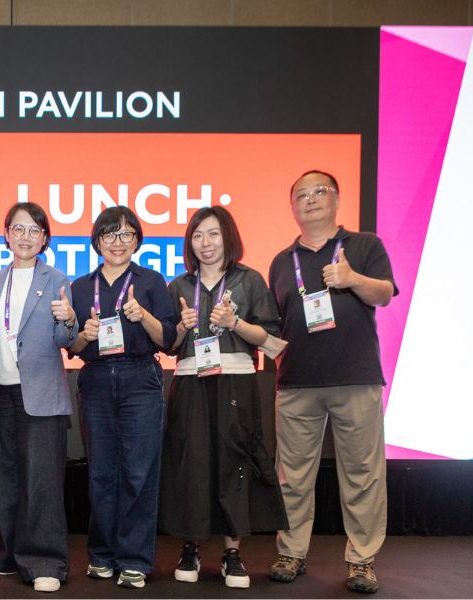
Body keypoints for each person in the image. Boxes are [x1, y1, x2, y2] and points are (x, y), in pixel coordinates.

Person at [268, 170, 397, 594]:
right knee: (291, 476)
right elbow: (277, 323)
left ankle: (362, 560)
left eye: (319, 191)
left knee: (362, 473)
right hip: (296, 381)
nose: (310, 200)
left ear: (337, 198)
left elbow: (384, 294)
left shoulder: (364, 245)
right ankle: (291, 552)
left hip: (355, 378)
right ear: (292, 207)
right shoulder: (281, 261)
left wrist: (352, 279)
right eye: (301, 195)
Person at [159, 206, 288, 589]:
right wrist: (181, 329)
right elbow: (168, 345)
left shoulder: (249, 280)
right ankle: (191, 546)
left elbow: (271, 339)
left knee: (236, 462)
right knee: (192, 462)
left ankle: (233, 552)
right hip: (190, 382)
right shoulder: (179, 286)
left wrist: (235, 323)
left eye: (213, 233)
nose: (206, 243)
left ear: (227, 237)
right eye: (198, 235)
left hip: (237, 381)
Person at [69, 206, 177, 590]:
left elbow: (168, 339)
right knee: (101, 472)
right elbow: (72, 347)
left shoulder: (152, 281)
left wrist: (143, 315)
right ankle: (101, 556)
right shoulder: (81, 287)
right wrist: (85, 334)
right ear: (97, 241)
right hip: (96, 380)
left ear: (137, 241)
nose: (118, 242)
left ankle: (134, 559)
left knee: (138, 472)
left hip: (139, 379)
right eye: (110, 234)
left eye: (126, 234)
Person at [0, 202, 77, 593]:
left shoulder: (56, 279)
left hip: (41, 394)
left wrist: (69, 318)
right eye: (18, 229)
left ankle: (46, 561)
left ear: (45, 238)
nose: (25, 237)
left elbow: (66, 341)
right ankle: (12, 554)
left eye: (34, 230)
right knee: (4, 478)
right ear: (6, 235)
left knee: (42, 481)